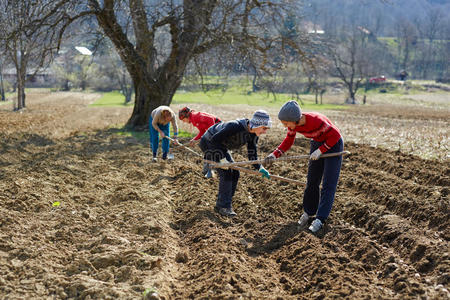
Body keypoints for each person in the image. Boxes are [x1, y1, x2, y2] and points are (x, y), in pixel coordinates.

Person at [264, 100, 343, 233]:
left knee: (329, 184)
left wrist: (321, 150)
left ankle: (320, 219)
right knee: (312, 181)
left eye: (285, 123)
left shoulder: (316, 121)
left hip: (333, 144)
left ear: (295, 119)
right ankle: (308, 212)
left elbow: (335, 135)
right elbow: (289, 141)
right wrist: (275, 154)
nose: (285, 126)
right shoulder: (293, 125)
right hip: (317, 143)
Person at [199, 110, 272, 217]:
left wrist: (260, 167)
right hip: (209, 143)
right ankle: (223, 206)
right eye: (264, 128)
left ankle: (226, 200)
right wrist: (223, 160)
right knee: (227, 172)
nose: (265, 131)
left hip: (222, 147)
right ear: (257, 124)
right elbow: (214, 141)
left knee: (235, 172)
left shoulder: (253, 134)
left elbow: (252, 154)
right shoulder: (234, 126)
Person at [179, 106, 222, 178]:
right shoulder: (193, 119)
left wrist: (212, 133)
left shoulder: (195, 116)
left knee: (208, 148)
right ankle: (209, 170)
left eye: (183, 119)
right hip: (214, 131)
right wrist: (194, 139)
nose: (184, 122)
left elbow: (211, 119)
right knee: (207, 148)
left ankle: (211, 170)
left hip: (219, 128)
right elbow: (202, 131)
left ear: (186, 116)